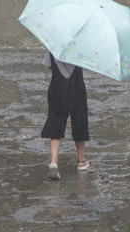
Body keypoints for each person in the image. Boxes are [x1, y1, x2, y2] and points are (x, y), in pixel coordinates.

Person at [41, 50, 90, 180]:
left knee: (56, 121)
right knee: (79, 121)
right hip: (77, 89)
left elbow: (49, 66)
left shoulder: (53, 47)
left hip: (57, 88)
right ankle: (80, 161)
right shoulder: (80, 48)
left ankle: (53, 161)